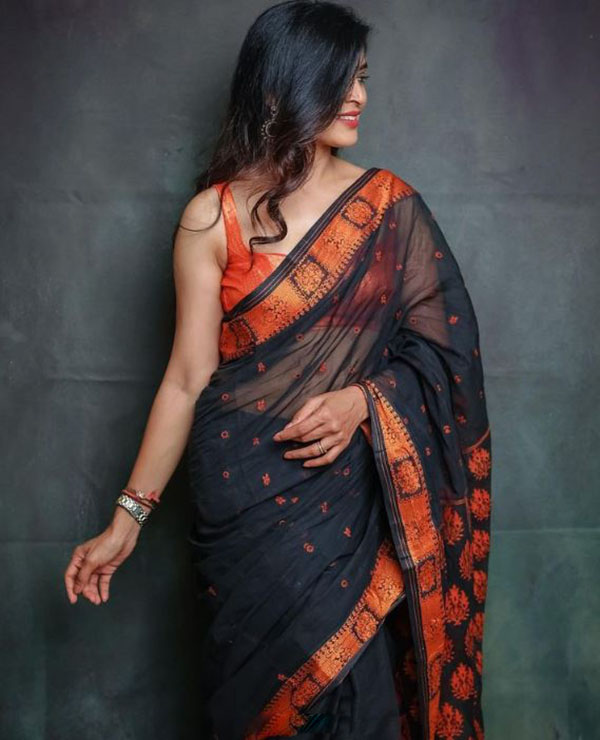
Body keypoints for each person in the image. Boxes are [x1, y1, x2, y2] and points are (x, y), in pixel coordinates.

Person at [64, 2, 493, 738]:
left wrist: (365, 402)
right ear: (277, 87)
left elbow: (445, 356)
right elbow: (186, 378)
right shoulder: (213, 217)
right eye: (341, 79)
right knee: (258, 705)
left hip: (348, 500)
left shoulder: (390, 207)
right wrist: (126, 519)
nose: (359, 95)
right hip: (244, 502)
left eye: (363, 78)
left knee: (362, 701)